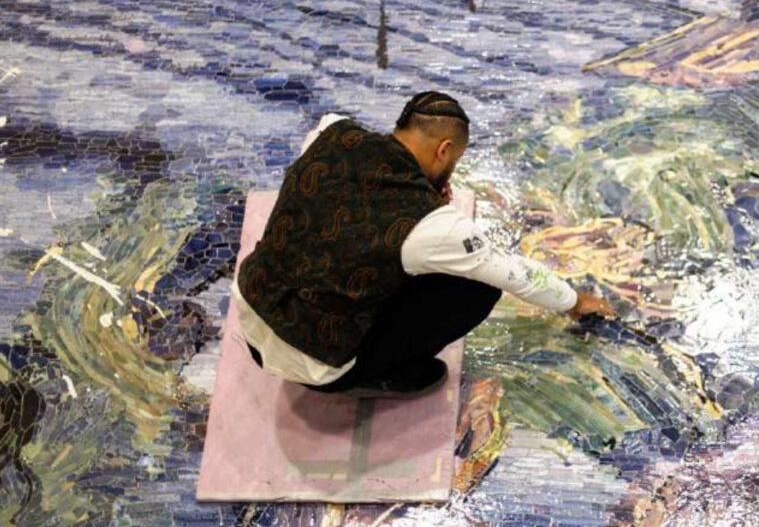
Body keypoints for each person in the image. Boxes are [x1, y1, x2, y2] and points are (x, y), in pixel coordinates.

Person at [231, 91, 615, 398]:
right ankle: (377, 378)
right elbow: (514, 273)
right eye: (454, 161)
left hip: (252, 306)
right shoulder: (429, 224)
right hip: (317, 364)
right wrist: (574, 301)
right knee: (477, 291)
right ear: (444, 150)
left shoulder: (331, 131)